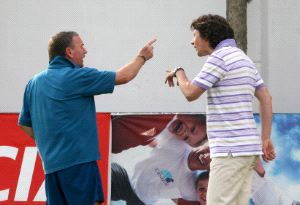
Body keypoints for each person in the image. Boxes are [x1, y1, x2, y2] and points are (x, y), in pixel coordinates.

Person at [18, 31, 156, 205]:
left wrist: (51, 144)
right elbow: (124, 76)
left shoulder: (33, 83)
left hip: (51, 168)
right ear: (69, 52)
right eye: (81, 46)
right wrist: (142, 57)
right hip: (79, 164)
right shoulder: (76, 76)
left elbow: (24, 124)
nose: (85, 51)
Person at [165, 14, 276, 205]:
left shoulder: (219, 58)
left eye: (195, 35)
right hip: (248, 151)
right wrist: (265, 138)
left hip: (229, 152)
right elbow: (266, 98)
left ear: (207, 36)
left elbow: (190, 93)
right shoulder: (244, 59)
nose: (192, 42)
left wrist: (179, 72)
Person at [111, 114, 210, 205]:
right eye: (208, 151)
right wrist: (149, 139)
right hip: (125, 177)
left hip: (143, 201)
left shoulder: (194, 188)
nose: (206, 157)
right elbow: (157, 127)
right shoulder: (177, 142)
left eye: (210, 162)